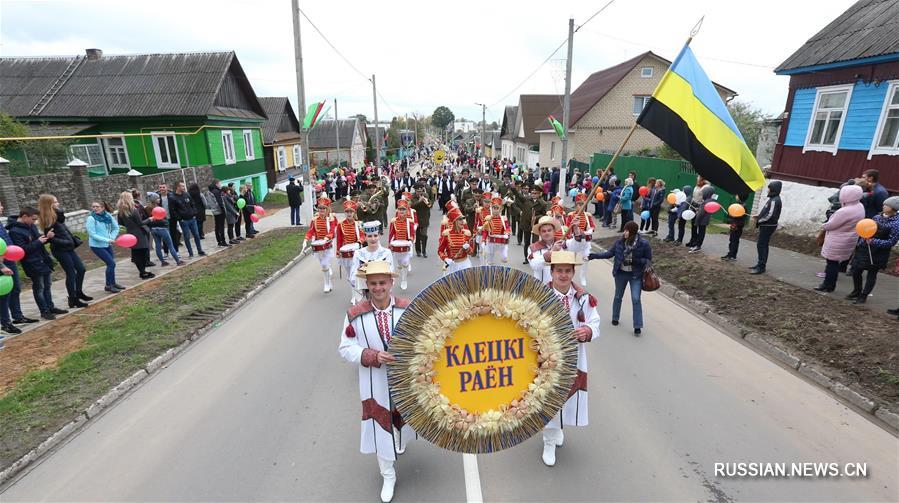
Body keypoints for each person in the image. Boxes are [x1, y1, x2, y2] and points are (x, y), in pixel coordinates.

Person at [339, 260, 414, 503]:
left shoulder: (408, 308)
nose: (378, 287)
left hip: (404, 378)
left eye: (383, 282)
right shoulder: (355, 315)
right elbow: (346, 348)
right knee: (380, 426)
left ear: (391, 283)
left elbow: (424, 336)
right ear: (367, 285)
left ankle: (400, 441)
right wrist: (371, 355)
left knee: (404, 419)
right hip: (374, 380)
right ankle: (388, 474)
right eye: (373, 283)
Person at [541, 250, 600, 467]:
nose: (563, 275)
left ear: (573, 272)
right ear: (552, 272)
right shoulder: (540, 296)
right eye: (559, 271)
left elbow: (595, 322)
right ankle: (548, 440)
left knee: (567, 394)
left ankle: (558, 428)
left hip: (574, 355)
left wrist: (587, 331)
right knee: (548, 397)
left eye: (567, 271)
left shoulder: (583, 298)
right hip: (546, 357)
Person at [588, 220, 652, 335]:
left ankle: (637, 325)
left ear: (632, 232)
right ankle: (615, 318)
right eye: (625, 230)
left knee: (636, 299)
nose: (624, 232)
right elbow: (609, 253)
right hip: (620, 273)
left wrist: (635, 261)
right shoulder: (619, 243)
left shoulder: (643, 244)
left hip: (635, 275)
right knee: (618, 296)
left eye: (627, 230)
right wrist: (593, 256)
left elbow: (648, 260)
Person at [9, 207, 67, 320]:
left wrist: (46, 237)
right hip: (32, 263)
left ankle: (50, 306)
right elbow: (22, 250)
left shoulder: (30, 226)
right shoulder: (14, 231)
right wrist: (38, 242)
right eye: (33, 219)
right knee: (39, 287)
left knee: (47, 285)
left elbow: (38, 241)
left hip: (43, 260)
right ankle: (44, 311)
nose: (35, 222)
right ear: (25, 217)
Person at [37, 194, 89, 308]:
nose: (58, 203)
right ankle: (73, 299)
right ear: (49, 205)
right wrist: (64, 242)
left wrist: (69, 242)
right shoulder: (48, 220)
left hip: (68, 248)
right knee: (71, 273)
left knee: (81, 269)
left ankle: (78, 292)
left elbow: (62, 219)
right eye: (55, 202)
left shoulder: (56, 216)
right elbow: (50, 238)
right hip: (60, 250)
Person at [846, 196, 899, 304]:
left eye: (887, 205)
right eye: (884, 204)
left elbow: (891, 242)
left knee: (872, 274)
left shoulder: (896, 224)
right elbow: (866, 230)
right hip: (865, 249)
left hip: (879, 253)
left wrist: (874, 241)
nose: (884, 206)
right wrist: (860, 243)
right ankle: (856, 291)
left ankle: (864, 296)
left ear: (893, 208)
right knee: (856, 270)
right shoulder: (876, 217)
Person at [814, 185, 864, 292]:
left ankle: (828, 285)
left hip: (838, 239)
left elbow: (831, 225)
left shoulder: (845, 211)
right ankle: (829, 285)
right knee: (835, 263)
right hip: (849, 238)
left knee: (831, 263)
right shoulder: (859, 206)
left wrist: (824, 226)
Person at [0, 200, 37, 334]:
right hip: (2, 265)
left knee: (15, 289)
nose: (2, 207)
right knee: (4, 294)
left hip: (10, 260)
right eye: (0, 205)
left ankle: (17, 316)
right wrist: (2, 266)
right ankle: (5, 322)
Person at [86, 200, 124, 293]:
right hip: (97, 246)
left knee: (111, 264)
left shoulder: (108, 216)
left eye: (97, 207)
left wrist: (111, 237)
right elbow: (92, 234)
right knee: (111, 263)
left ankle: (113, 283)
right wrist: (107, 239)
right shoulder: (91, 218)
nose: (94, 208)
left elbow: (116, 228)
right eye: (93, 207)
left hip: (107, 244)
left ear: (103, 208)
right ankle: (108, 285)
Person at [351, 221, 394, 299]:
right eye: (370, 236)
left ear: (379, 236)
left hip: (383, 289)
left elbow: (391, 271)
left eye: (375, 235)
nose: (373, 239)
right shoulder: (358, 253)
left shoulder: (386, 253)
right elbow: (353, 274)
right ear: (365, 237)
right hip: (367, 289)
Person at [116, 192, 154, 280]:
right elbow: (140, 223)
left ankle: (142, 272)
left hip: (130, 234)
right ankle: (143, 272)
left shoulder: (120, 211)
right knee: (143, 252)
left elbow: (120, 223)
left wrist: (130, 226)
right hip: (139, 233)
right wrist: (150, 219)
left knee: (136, 253)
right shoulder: (133, 210)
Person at [304, 196, 338, 293]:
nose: (322, 210)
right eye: (320, 208)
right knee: (323, 264)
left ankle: (326, 284)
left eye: (324, 208)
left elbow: (332, 230)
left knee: (324, 264)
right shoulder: (314, 220)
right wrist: (306, 239)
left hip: (328, 244)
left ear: (327, 209)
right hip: (318, 245)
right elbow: (311, 231)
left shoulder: (330, 219)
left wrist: (327, 237)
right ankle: (329, 281)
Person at [749, 180, 782, 275]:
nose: (768, 190)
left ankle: (761, 266)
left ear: (773, 189)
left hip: (768, 226)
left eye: (769, 188)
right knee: (762, 244)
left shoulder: (775, 200)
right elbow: (767, 212)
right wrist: (758, 215)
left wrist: (760, 220)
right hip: (766, 225)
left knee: (762, 245)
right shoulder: (773, 199)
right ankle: (760, 264)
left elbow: (770, 215)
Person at [336, 200, 364, 304]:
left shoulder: (358, 224)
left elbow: (363, 235)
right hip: (345, 253)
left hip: (356, 252)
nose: (349, 214)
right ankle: (353, 294)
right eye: (347, 212)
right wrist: (338, 251)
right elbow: (339, 239)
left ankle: (357, 293)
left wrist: (360, 241)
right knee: (349, 276)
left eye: (351, 212)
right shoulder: (340, 225)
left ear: (354, 213)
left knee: (356, 275)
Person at [565, 193, 596, 287]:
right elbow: (567, 227)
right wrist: (569, 235)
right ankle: (570, 276)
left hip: (585, 240)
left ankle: (582, 276)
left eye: (583, 204)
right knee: (571, 259)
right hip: (575, 240)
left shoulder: (588, 215)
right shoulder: (571, 215)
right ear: (576, 205)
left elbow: (592, 226)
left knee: (586, 258)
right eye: (579, 204)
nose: (581, 206)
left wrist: (589, 230)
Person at [145, 195, 185, 267]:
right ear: (154, 200)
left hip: (153, 229)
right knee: (170, 245)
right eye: (157, 198)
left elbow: (148, 219)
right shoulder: (158, 208)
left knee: (158, 246)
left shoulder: (147, 208)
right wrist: (166, 223)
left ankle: (163, 262)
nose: (159, 199)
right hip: (162, 229)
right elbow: (163, 219)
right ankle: (178, 261)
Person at [171, 182, 206, 258]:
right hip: (184, 221)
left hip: (192, 219)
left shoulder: (187, 194)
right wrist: (180, 219)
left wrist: (194, 213)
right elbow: (173, 211)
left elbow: (192, 204)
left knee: (196, 235)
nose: (184, 187)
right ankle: (190, 253)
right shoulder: (173, 197)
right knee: (187, 237)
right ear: (177, 187)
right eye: (182, 186)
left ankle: (200, 250)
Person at [388, 199, 415, 290]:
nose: (402, 211)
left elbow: (412, 233)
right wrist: (390, 244)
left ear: (406, 210)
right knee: (399, 264)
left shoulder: (409, 221)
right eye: (400, 209)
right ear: (397, 211)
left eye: (403, 209)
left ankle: (404, 280)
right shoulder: (393, 221)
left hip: (406, 245)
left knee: (405, 262)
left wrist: (410, 240)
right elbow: (391, 233)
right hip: (397, 246)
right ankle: (402, 275)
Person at [528, 215, 565, 283]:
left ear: (554, 231)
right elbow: (534, 265)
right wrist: (551, 252)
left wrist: (576, 230)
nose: (547, 233)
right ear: (540, 233)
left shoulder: (563, 244)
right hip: (542, 288)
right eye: (544, 231)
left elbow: (579, 246)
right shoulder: (533, 248)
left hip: (561, 287)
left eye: (549, 230)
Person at [437, 207, 473, 275]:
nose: (462, 221)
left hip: (465, 264)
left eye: (462, 219)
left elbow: (471, 252)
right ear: (454, 221)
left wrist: (468, 248)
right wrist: (446, 259)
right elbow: (440, 251)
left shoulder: (466, 233)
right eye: (459, 219)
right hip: (451, 264)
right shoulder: (447, 234)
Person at [482, 195, 511, 266]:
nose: (495, 209)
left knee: (504, 258)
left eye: (497, 208)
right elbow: (485, 231)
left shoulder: (504, 218)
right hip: (491, 241)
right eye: (494, 208)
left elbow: (507, 227)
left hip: (501, 241)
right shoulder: (488, 218)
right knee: (490, 260)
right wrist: (483, 240)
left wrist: (507, 233)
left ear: (500, 209)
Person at [688, 185, 716, 253]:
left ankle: (698, 246)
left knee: (701, 233)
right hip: (705, 220)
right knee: (702, 232)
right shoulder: (710, 201)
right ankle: (697, 245)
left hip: (702, 220)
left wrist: (696, 222)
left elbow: (701, 213)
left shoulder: (705, 202)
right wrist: (699, 209)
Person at [721, 194, 748, 261]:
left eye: (737, 195)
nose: (736, 196)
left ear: (740, 197)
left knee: (734, 241)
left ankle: (731, 255)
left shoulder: (742, 207)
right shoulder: (740, 205)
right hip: (736, 225)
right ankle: (731, 255)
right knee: (733, 240)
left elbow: (738, 216)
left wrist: (731, 215)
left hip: (737, 226)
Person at [410, 183, 433, 258]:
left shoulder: (425, 195)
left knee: (424, 235)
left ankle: (424, 251)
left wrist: (428, 202)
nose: (419, 193)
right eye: (417, 191)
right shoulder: (412, 197)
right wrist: (419, 201)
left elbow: (430, 205)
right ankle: (418, 251)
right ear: (415, 191)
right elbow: (411, 206)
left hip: (424, 218)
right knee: (417, 236)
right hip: (416, 218)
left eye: (420, 191)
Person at [158, 183, 181, 254]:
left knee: (174, 235)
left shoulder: (172, 196)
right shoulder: (158, 198)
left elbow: (177, 207)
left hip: (172, 219)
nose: (162, 189)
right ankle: (166, 252)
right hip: (163, 220)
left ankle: (176, 251)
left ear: (167, 188)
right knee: (165, 236)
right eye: (160, 187)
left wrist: (177, 216)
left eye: (163, 187)